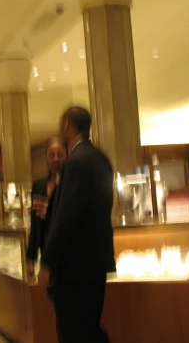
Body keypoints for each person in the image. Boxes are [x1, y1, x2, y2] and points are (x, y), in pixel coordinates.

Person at [40, 107, 116, 343]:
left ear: (66, 125)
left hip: (74, 269)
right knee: (91, 328)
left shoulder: (76, 162)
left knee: (73, 332)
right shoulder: (101, 159)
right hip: (96, 265)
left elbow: (66, 219)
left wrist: (48, 261)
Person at [26, 136, 66, 279]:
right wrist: (31, 258)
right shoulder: (39, 186)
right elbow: (35, 226)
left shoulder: (69, 185)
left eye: (60, 154)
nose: (56, 159)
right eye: (51, 155)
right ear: (47, 159)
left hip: (67, 255)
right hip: (46, 254)